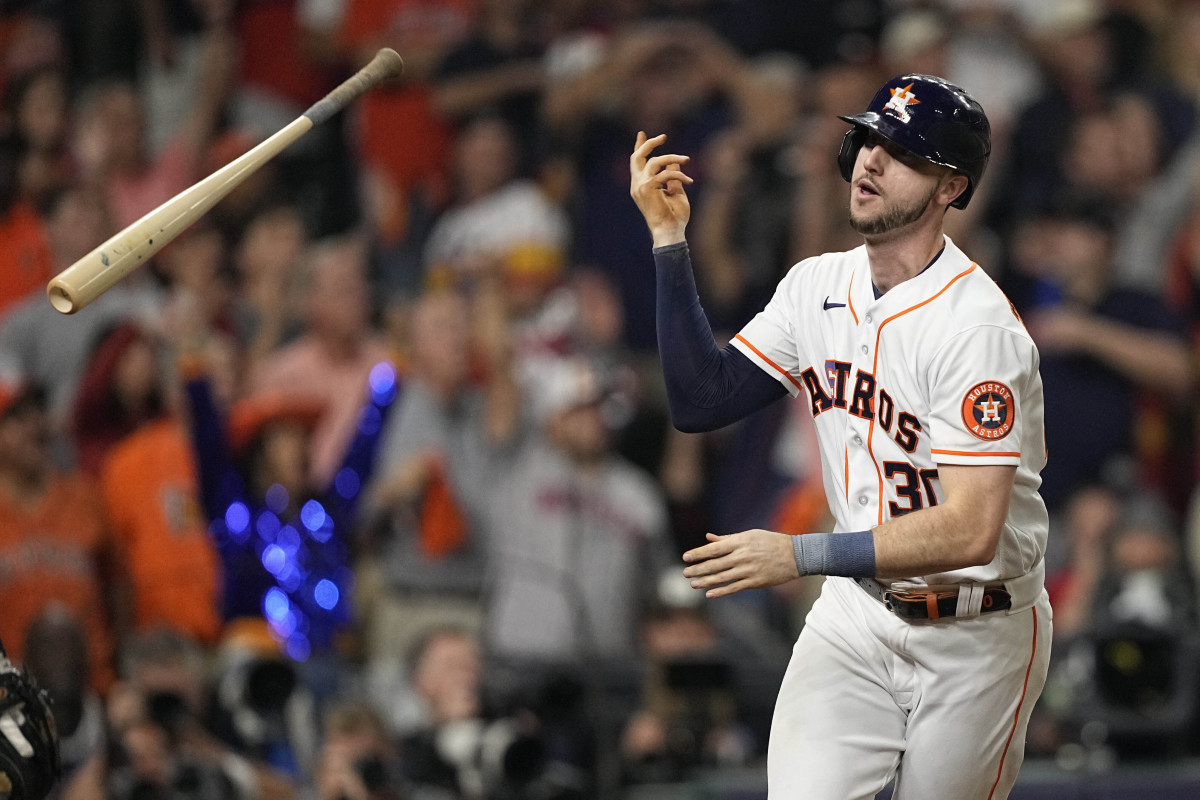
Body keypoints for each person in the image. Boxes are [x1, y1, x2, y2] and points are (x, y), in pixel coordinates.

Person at [630, 73, 1053, 798]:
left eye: (905, 154)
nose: (872, 161)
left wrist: (800, 554)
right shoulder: (816, 284)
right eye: (872, 140)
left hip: (978, 629)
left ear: (950, 188)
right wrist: (671, 241)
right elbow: (701, 400)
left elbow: (970, 531)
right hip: (856, 617)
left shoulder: (976, 330)